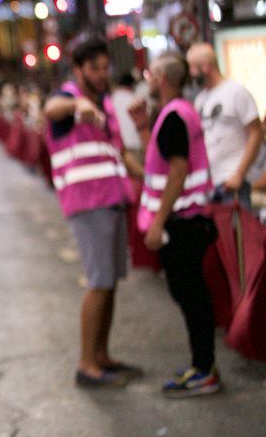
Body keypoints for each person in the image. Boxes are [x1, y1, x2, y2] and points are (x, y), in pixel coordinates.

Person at [43, 38, 144, 388]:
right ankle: (87, 363)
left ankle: (102, 356)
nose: (102, 74)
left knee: (111, 281)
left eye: (105, 68)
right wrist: (75, 106)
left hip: (113, 199)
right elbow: (51, 110)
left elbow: (118, 151)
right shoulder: (69, 98)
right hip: (88, 203)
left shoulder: (106, 105)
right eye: (94, 68)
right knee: (99, 281)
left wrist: (145, 176)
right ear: (79, 69)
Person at [130, 53, 220, 398]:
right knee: (188, 294)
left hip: (183, 221)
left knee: (192, 295)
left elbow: (178, 172)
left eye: (150, 74)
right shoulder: (173, 114)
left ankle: (204, 369)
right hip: (185, 219)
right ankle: (202, 366)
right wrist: (141, 125)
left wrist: (158, 223)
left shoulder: (173, 117)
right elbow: (160, 161)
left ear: (163, 79)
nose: (147, 80)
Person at [186, 42, 263, 209]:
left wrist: (240, 174)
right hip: (210, 183)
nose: (191, 74)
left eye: (193, 68)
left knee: (238, 232)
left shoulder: (236, 92)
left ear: (205, 66)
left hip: (232, 180)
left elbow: (256, 133)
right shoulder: (201, 100)